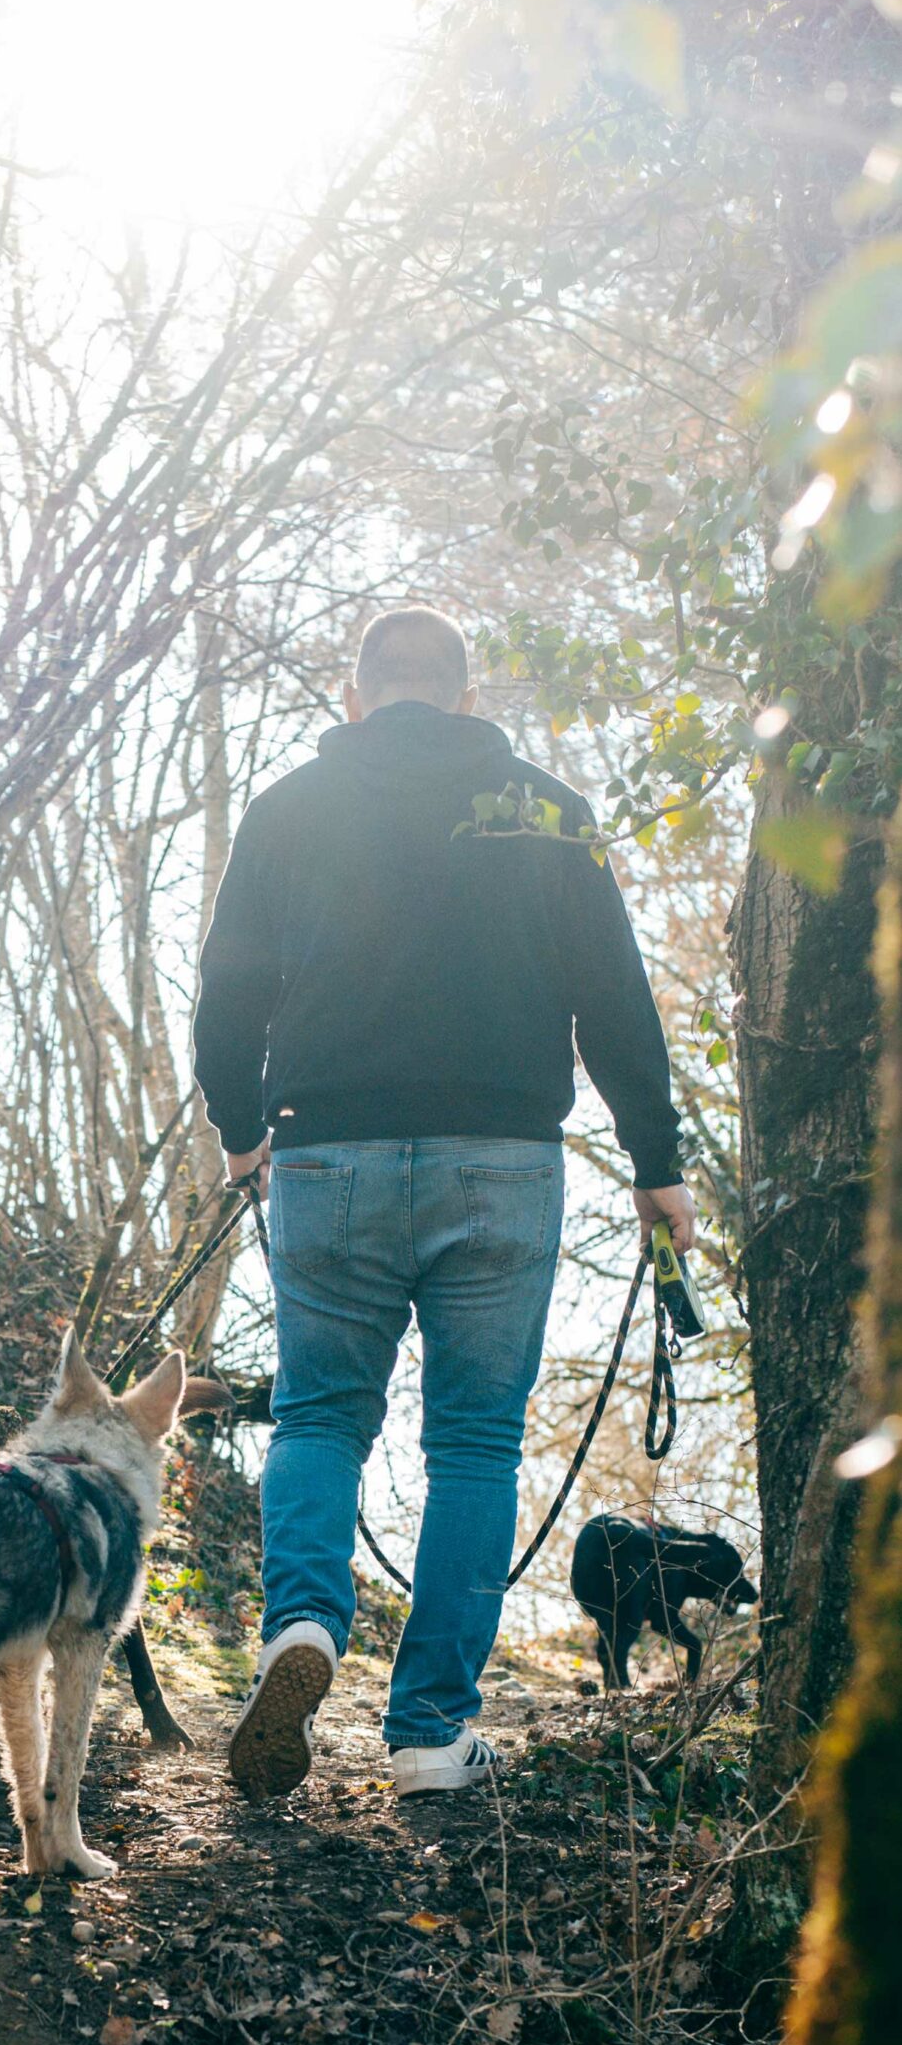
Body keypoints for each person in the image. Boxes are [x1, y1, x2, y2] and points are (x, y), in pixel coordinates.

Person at [193, 605, 695, 1802]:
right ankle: (427, 1733)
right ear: (466, 699)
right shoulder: (545, 811)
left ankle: (300, 1624)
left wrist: (239, 1131)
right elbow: (613, 998)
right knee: (472, 1442)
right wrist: (654, 1161)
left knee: (319, 1418)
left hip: (326, 1153)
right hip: (501, 1157)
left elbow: (226, 995)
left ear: (356, 693)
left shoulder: (285, 810)